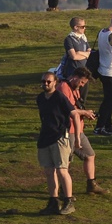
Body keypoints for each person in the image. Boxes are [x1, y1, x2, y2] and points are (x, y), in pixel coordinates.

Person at [35, 71, 77, 215]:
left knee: (62, 170)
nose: (45, 84)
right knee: (48, 170)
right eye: (43, 81)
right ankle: (53, 201)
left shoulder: (59, 97)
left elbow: (74, 114)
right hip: (45, 137)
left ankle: (69, 200)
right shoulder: (40, 98)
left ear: (55, 82)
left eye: (48, 81)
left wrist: (76, 136)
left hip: (59, 137)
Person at [62, 68, 106, 197]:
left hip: (78, 130)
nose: (82, 85)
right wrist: (85, 113)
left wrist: (86, 113)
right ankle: (64, 190)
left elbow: (76, 108)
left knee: (89, 155)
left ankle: (91, 184)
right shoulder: (64, 88)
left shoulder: (74, 89)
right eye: (81, 82)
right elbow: (69, 110)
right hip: (68, 130)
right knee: (66, 162)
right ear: (75, 77)